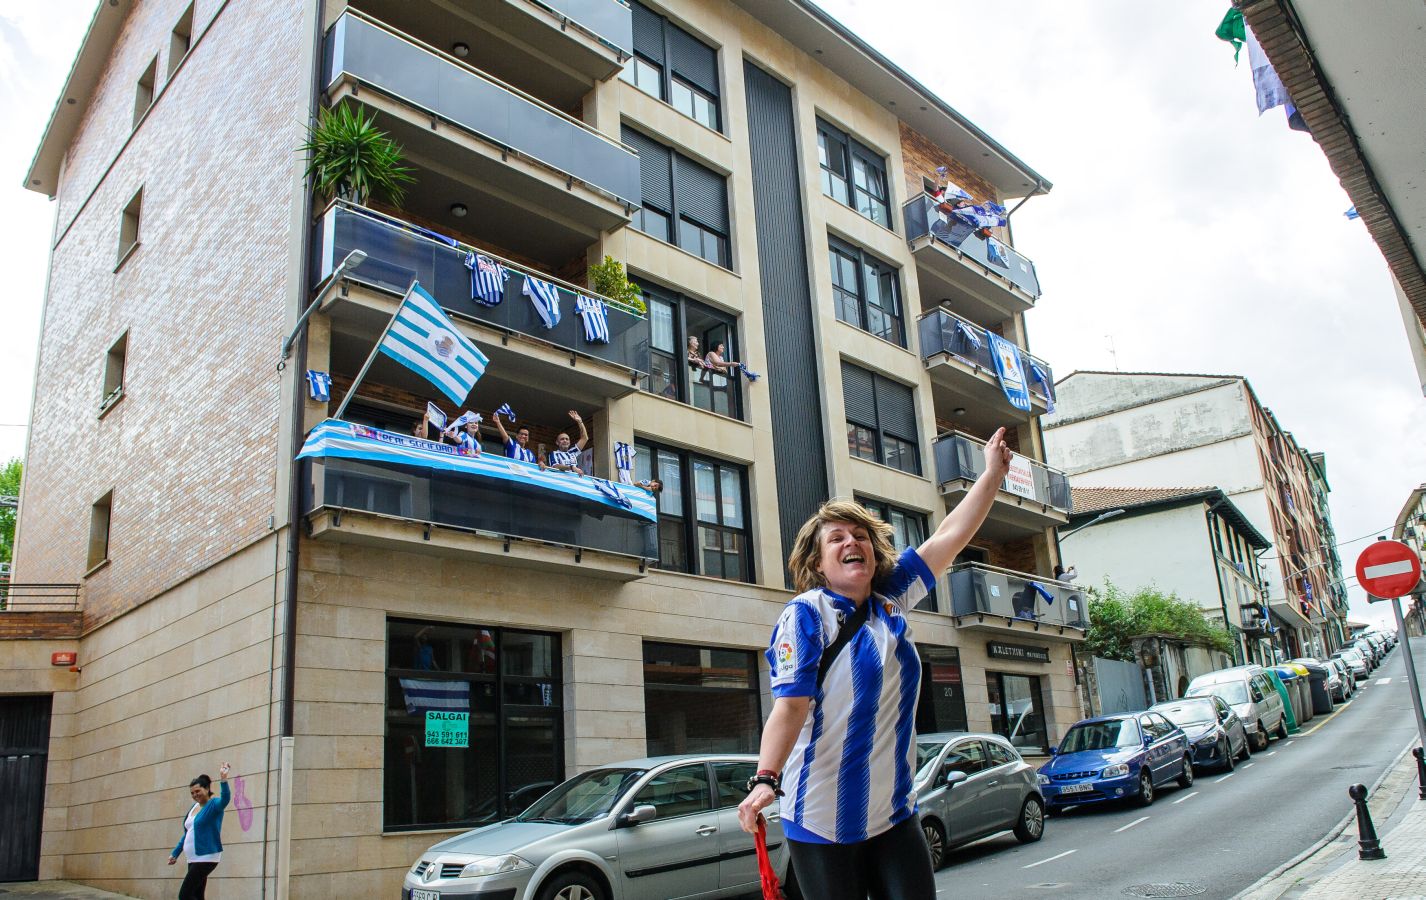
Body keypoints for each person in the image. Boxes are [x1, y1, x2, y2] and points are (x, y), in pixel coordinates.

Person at [737, 428, 1012, 900]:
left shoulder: (892, 596)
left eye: (861, 535)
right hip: (821, 818)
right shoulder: (805, 616)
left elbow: (949, 534)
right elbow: (790, 707)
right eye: (838, 537)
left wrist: (991, 475)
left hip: (894, 813)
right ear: (819, 562)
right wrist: (766, 778)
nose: (853, 542)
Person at [168, 762, 231, 900]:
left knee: (184, 895)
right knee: (197, 895)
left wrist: (223, 779)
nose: (195, 795)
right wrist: (175, 853)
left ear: (207, 789)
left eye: (198, 791)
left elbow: (225, 799)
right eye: (192, 793)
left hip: (207, 857)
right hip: (193, 858)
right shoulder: (194, 807)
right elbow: (187, 833)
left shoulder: (214, 805)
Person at [547, 410, 588, 475]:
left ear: (569, 442)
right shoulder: (554, 453)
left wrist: (580, 422)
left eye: (567, 439)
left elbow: (584, 439)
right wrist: (572, 468)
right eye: (562, 439)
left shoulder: (573, 452)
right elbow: (555, 466)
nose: (565, 441)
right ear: (557, 442)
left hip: (575, 480)